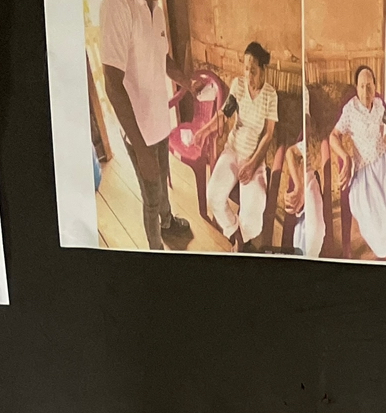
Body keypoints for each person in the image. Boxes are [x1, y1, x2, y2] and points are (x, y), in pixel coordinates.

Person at [99, 0, 193, 251]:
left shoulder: (158, 11)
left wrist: (187, 82)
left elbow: (162, 58)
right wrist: (141, 151)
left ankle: (168, 222)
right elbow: (112, 84)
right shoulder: (118, 6)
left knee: (161, 182)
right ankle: (155, 249)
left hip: (159, 122)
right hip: (139, 133)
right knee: (151, 197)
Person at [330, 65, 386, 262]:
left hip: (384, 167)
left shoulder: (378, 105)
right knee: (375, 219)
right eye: (361, 86)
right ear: (356, 87)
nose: (366, 91)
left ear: (375, 86)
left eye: (369, 86)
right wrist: (346, 156)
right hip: (364, 175)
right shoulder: (350, 110)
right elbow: (333, 136)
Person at [200, 40, 278, 247]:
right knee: (213, 195)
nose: (248, 75)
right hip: (232, 151)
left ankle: (242, 239)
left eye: (253, 71)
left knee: (253, 210)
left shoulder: (270, 95)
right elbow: (224, 114)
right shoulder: (238, 85)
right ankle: (237, 235)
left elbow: (268, 135)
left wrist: (252, 164)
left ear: (263, 70)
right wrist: (203, 131)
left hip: (253, 157)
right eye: (246, 69)